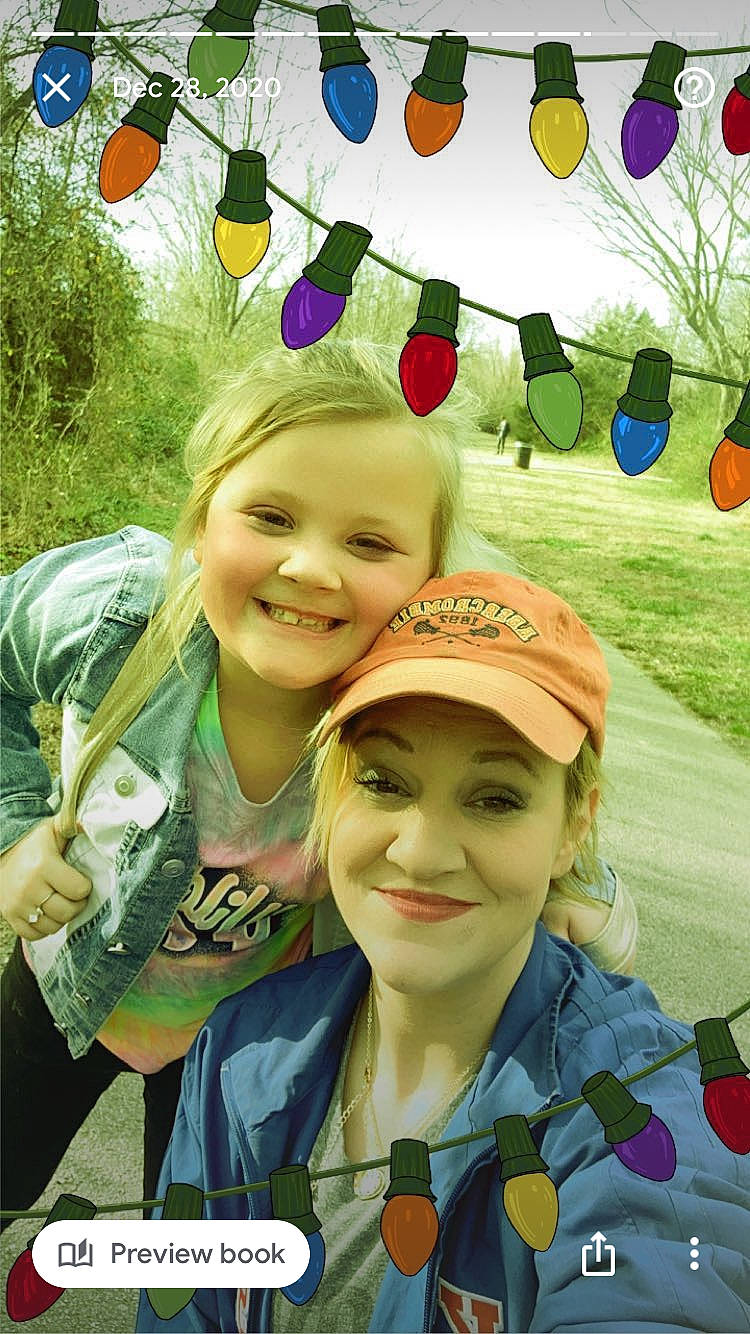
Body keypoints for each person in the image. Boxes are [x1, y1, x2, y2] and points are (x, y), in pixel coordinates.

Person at [0, 342, 633, 1229]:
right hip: (63, 985)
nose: (310, 567)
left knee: (202, 1254)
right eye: (269, 516)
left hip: (236, 1039)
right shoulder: (116, 610)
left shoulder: (404, 706)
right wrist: (13, 830)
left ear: (427, 575)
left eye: (369, 542)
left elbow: (532, 805)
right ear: (203, 511)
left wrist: (582, 904)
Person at [137, 570, 748, 1334]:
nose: (422, 854)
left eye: (495, 798)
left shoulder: (637, 1111)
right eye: (384, 782)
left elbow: (661, 1272)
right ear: (331, 796)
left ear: (572, 827)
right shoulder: (239, 1052)